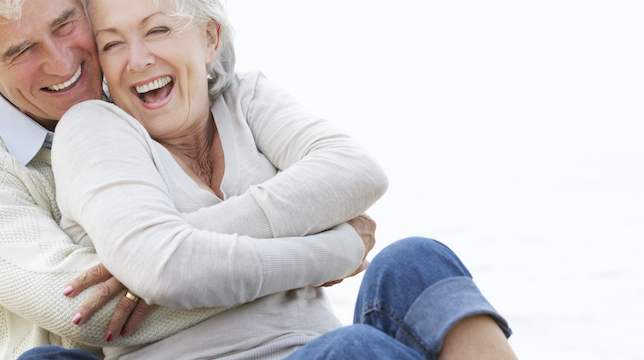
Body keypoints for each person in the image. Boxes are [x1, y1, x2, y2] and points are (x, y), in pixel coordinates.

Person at [34, 0, 517, 359]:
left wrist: (175, 243)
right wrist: (335, 249)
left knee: (416, 259)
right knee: (354, 349)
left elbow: (358, 172)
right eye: (112, 43)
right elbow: (165, 268)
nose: (136, 60)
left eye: (158, 29)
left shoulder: (245, 99)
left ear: (209, 37)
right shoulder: (96, 129)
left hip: (316, 346)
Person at [0, 0, 386, 358]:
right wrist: (332, 251)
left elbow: (159, 264)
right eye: (22, 50)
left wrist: (166, 253)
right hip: (74, 356)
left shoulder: (139, 102)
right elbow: (91, 310)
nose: (63, 62)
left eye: (65, 23)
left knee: (416, 264)